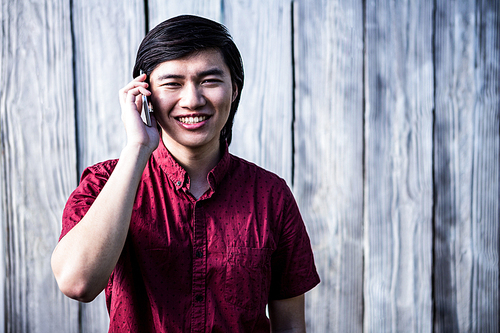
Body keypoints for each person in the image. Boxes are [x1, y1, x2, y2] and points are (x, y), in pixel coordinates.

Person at [51, 15, 320, 333]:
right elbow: (77, 283)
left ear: (234, 89)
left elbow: (290, 326)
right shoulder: (103, 184)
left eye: (209, 80)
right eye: (172, 83)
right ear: (145, 94)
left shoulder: (270, 195)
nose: (192, 100)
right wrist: (138, 147)